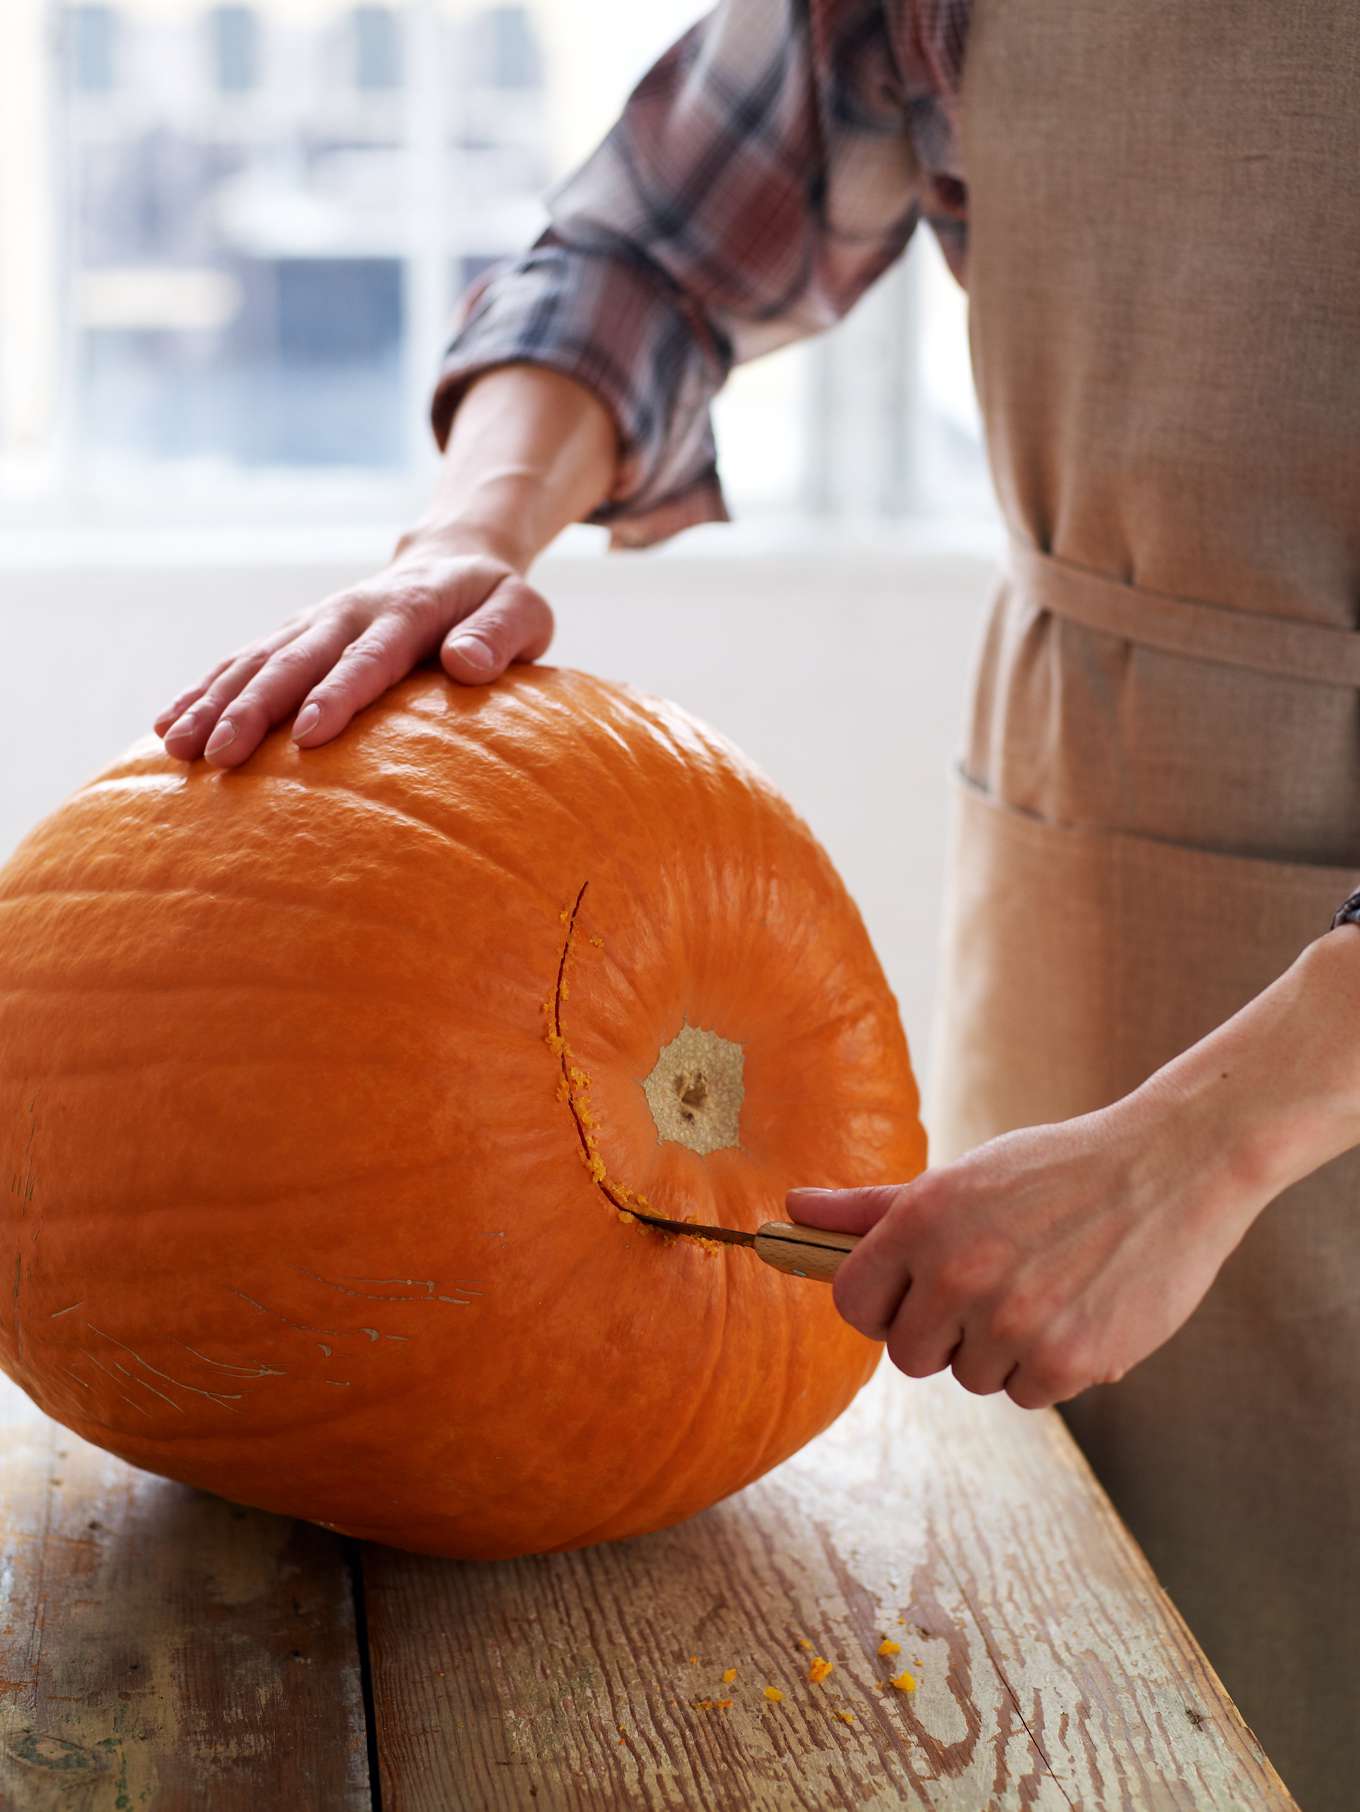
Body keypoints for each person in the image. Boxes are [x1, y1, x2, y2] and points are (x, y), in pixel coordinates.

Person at [155, 4, 1358, 1803]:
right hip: (1099, 817)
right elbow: (649, 240)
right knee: (1117, 1696)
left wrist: (1204, 1145)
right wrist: (469, 533)